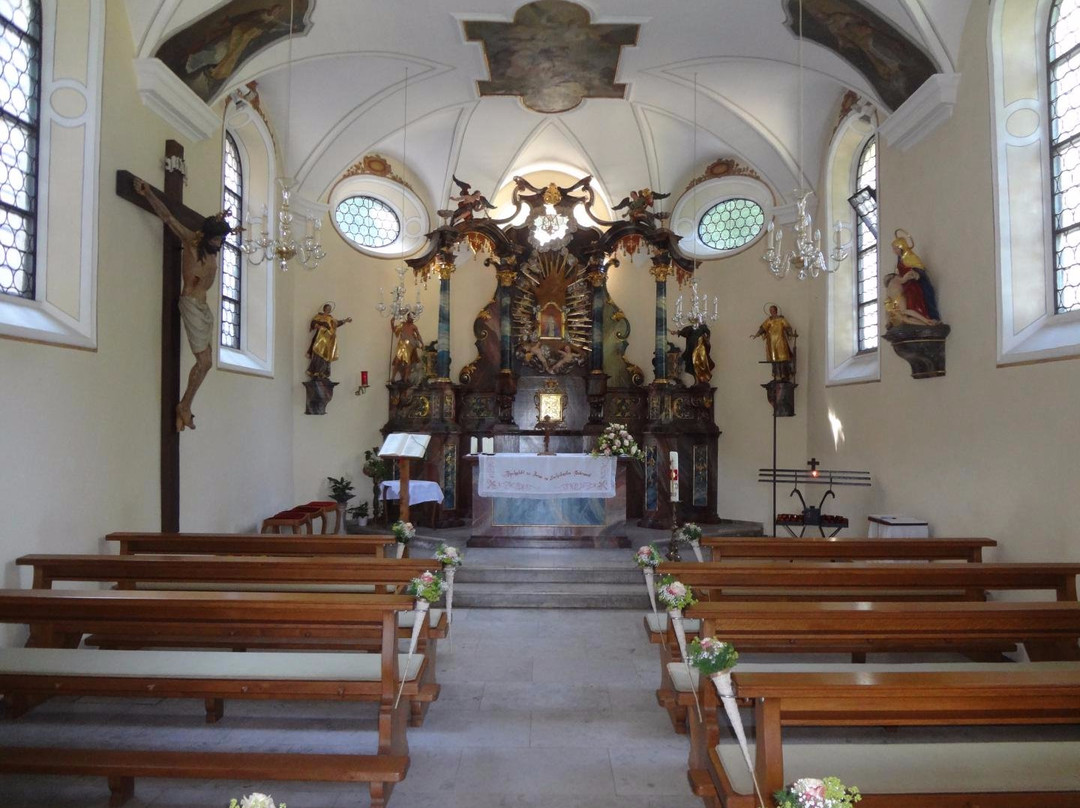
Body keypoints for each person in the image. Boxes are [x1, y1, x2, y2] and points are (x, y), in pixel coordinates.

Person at [133, 177, 233, 432]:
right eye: (218, 238)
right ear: (209, 235)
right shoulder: (191, 242)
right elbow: (168, 218)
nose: (220, 243)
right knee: (205, 362)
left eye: (222, 239)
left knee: (207, 361)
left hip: (204, 308)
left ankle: (185, 404)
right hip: (190, 303)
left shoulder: (212, 250)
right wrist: (148, 195)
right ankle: (185, 405)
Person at [891, 230, 940, 323]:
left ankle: (926, 319)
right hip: (906, 285)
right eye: (893, 249)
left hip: (915, 284)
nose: (894, 251)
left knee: (916, 300)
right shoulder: (899, 260)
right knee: (906, 303)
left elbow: (920, 270)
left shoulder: (910, 257)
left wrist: (914, 273)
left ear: (901, 247)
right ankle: (914, 320)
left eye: (895, 248)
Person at [306, 303, 352, 379]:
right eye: (327, 308)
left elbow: (337, 323)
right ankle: (316, 372)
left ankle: (324, 373)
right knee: (318, 354)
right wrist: (318, 326)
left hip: (328, 340)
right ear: (324, 309)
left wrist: (345, 320)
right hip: (320, 338)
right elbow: (313, 323)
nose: (329, 309)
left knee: (326, 356)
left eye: (330, 308)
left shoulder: (331, 318)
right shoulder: (318, 316)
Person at [752, 304, 797, 381]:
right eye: (770, 311)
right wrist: (756, 335)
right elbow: (763, 328)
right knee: (774, 359)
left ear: (776, 310)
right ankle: (776, 375)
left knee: (782, 358)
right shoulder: (769, 320)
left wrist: (791, 334)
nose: (771, 312)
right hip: (772, 342)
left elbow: (788, 327)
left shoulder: (781, 319)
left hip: (780, 341)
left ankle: (783, 374)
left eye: (772, 310)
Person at [390, 312, 424, 384]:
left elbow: (418, 335)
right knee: (397, 361)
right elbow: (394, 330)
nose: (411, 319)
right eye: (410, 317)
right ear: (407, 317)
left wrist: (422, 343)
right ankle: (392, 378)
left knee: (407, 362)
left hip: (409, 345)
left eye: (412, 317)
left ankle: (405, 379)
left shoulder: (414, 327)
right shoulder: (402, 324)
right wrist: (392, 323)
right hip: (401, 345)